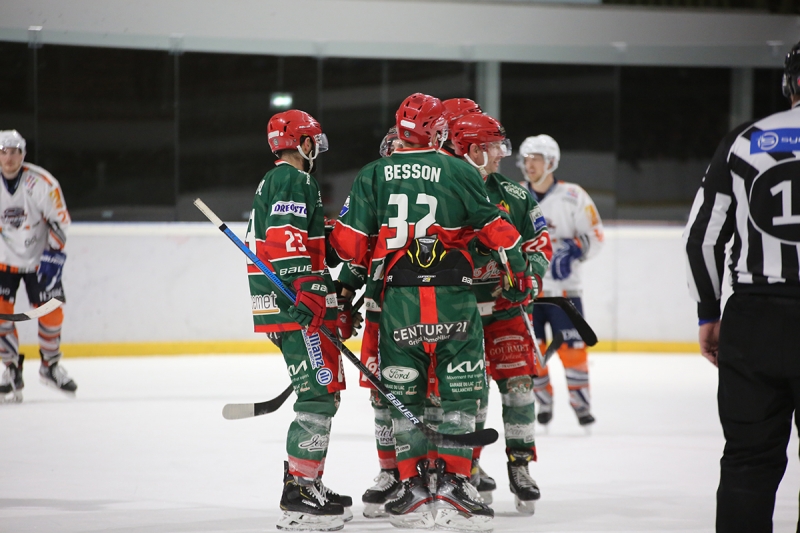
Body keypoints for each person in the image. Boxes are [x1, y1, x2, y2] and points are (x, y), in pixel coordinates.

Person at [330, 92, 531, 532]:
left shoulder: (373, 174)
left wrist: (342, 281)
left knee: (404, 397)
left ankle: (411, 488)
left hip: (398, 303)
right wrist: (517, 270)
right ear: (439, 131)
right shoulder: (459, 169)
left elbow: (350, 246)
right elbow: (496, 229)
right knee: (460, 393)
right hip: (455, 299)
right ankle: (458, 486)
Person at [684, 41, 800, 533]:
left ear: (791, 83)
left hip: (754, 321)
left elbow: (701, 240)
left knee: (748, 463)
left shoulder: (746, 140)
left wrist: (709, 314)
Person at [246, 110, 351, 531]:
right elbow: (286, 242)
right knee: (318, 396)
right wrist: (312, 294)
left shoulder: (277, 182)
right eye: (313, 143)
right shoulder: (293, 179)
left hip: (291, 304)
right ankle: (300, 495)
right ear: (303, 143)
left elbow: (300, 240)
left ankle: (307, 481)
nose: (315, 152)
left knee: (323, 392)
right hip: (295, 306)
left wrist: (330, 297)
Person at [449, 112, 552, 514]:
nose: (501, 155)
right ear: (473, 150)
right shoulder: (446, 191)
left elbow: (540, 244)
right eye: (494, 147)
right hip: (461, 313)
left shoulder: (516, 194)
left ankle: (520, 465)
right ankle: (470, 467)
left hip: (507, 311)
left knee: (519, 385)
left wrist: (531, 278)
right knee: (469, 395)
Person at [518, 134, 604, 427]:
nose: (529, 165)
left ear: (551, 162)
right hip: (527, 290)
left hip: (566, 291)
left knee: (573, 350)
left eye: (536, 159)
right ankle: (543, 405)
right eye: (526, 159)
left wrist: (576, 247)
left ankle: (581, 406)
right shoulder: (515, 194)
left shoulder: (573, 195)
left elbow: (596, 235)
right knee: (533, 351)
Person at [0, 130, 76, 402]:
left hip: (38, 259)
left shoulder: (42, 183)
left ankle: (50, 366)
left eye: (15, 152)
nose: (9, 158)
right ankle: (11, 370)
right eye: (4, 152)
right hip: (2, 261)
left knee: (51, 313)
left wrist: (53, 258)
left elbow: (60, 221)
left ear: (23, 155)